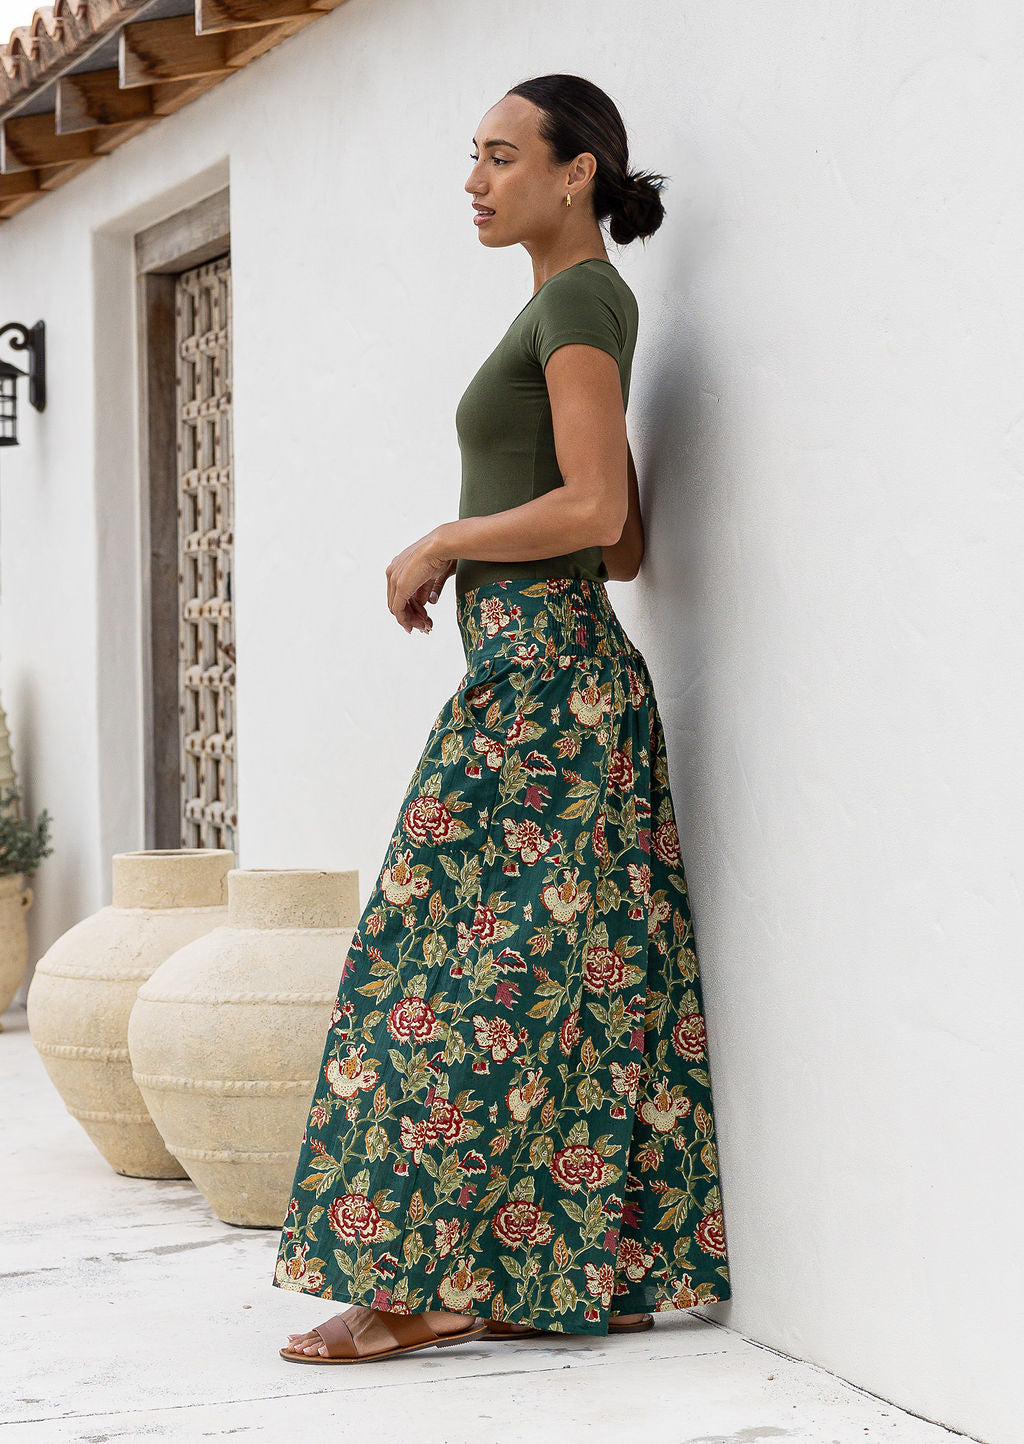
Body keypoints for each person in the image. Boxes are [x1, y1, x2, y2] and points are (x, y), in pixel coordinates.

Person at [275, 72, 731, 1365]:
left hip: (544, 687)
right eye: (469, 158)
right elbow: (630, 536)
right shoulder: (568, 304)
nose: (476, 181)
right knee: (573, 980)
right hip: (552, 672)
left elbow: (592, 519)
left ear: (575, 170)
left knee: (444, 969)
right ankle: (602, 1264)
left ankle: (429, 1283)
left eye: (500, 156)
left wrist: (449, 538)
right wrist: (497, 548)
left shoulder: (583, 297)